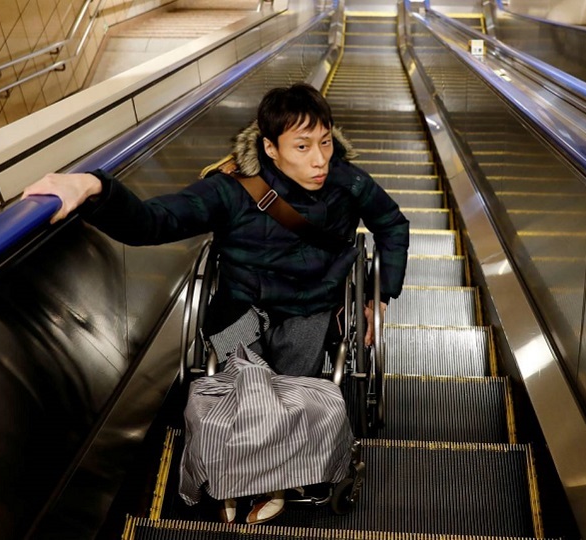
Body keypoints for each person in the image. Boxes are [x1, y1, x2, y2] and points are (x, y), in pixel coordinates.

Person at [21, 83, 409, 522]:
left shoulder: (348, 182)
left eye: (324, 142)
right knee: (240, 380)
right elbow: (154, 222)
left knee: (291, 381)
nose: (319, 159)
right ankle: (245, 471)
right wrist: (95, 187)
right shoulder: (231, 189)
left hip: (311, 307)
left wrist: (382, 298)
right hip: (244, 309)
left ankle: (266, 478)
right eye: (302, 147)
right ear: (270, 147)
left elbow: (393, 225)